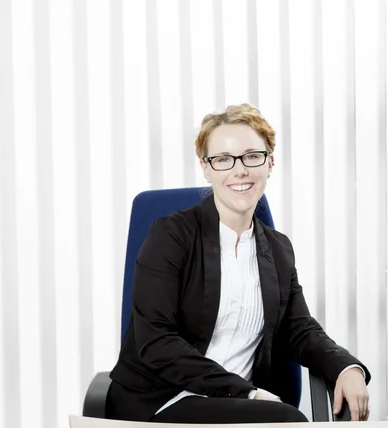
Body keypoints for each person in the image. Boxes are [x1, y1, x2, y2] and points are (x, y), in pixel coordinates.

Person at [105, 103, 371, 424]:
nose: (239, 170)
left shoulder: (278, 249)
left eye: (251, 156)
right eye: (223, 160)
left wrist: (346, 366)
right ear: (206, 168)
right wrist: (246, 392)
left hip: (240, 406)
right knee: (287, 421)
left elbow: (299, 329)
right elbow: (156, 340)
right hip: (162, 401)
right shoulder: (170, 235)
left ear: (269, 162)